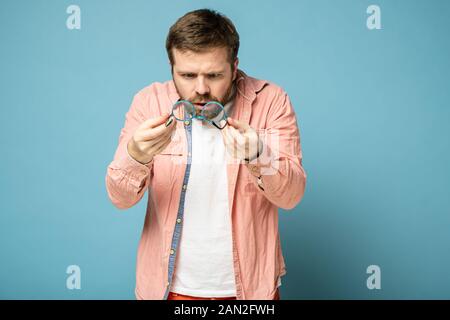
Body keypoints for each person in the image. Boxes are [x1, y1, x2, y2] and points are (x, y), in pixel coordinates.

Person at [105, 8, 307, 300]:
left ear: (234, 67)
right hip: (168, 290)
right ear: (171, 67)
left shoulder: (271, 101)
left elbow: (292, 196)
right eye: (187, 75)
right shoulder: (147, 102)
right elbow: (120, 199)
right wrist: (136, 155)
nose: (200, 88)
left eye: (214, 75)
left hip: (251, 291)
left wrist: (259, 155)